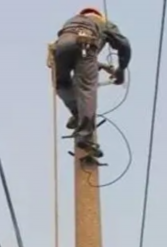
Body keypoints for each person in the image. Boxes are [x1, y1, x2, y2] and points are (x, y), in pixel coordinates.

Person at [51, 7, 131, 156]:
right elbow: (124, 45)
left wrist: (105, 67)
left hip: (62, 46)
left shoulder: (72, 22)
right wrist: (121, 69)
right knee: (86, 89)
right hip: (86, 45)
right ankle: (85, 136)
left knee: (62, 84)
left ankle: (77, 114)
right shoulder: (102, 22)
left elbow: (78, 54)